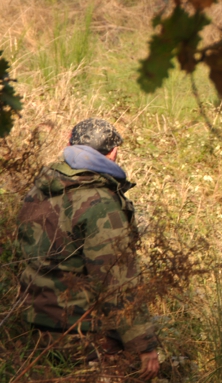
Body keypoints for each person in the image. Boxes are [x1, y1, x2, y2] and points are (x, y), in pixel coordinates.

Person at [16, 118, 159, 379]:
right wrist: (144, 346)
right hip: (81, 335)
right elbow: (116, 283)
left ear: (68, 144)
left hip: (32, 328)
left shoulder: (39, 189)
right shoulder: (101, 204)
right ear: (114, 153)